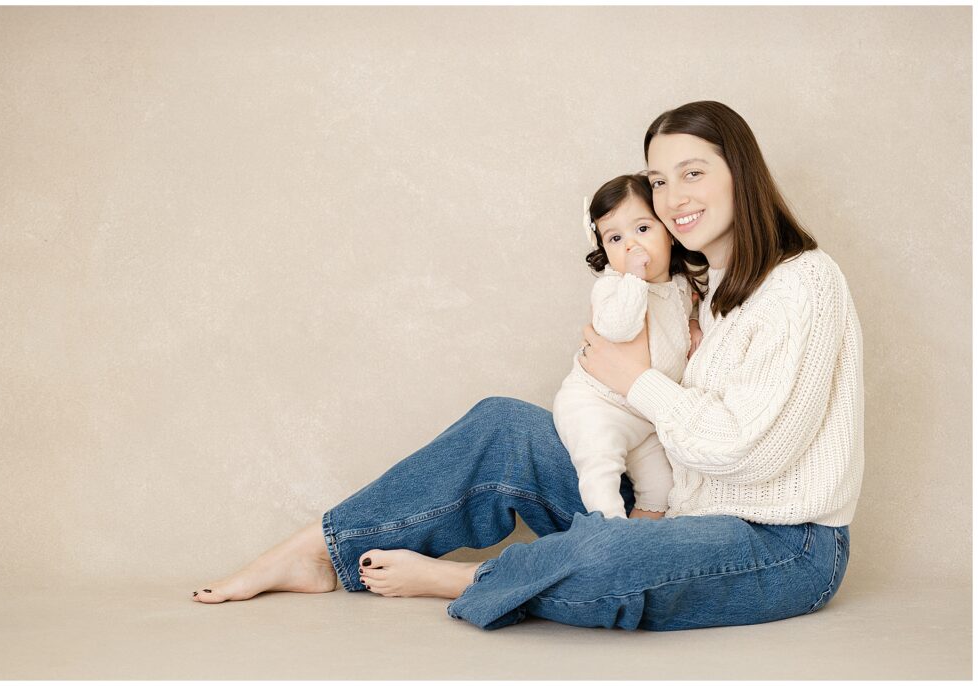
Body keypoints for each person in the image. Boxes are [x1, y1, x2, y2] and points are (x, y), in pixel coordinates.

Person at [191, 100, 864, 633]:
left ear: (739, 173)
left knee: (610, 554)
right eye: (659, 181)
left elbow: (751, 448)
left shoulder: (805, 283)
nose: (673, 197)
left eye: (694, 172)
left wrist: (635, 380)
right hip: (675, 509)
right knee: (504, 425)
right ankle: (317, 549)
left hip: (783, 545)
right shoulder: (701, 284)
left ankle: (467, 580)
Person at [553, 173, 701, 521]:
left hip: (644, 418)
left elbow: (682, 315)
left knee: (662, 489)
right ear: (604, 250)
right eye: (616, 238)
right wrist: (633, 278)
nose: (631, 245)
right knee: (600, 469)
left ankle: (638, 541)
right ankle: (609, 531)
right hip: (597, 406)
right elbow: (617, 328)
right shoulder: (613, 287)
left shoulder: (681, 286)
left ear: (669, 231)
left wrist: (693, 324)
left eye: (643, 229)